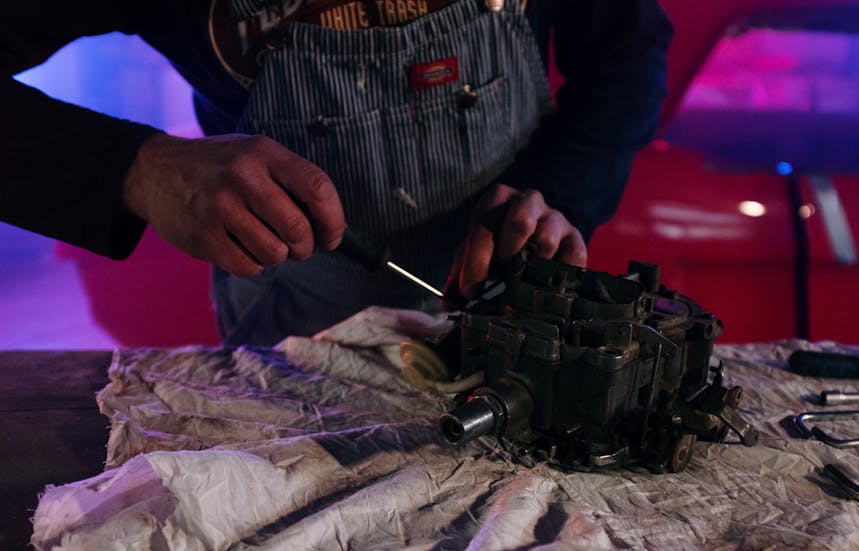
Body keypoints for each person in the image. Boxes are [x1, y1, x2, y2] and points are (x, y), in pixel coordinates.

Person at [1, 0, 672, 345]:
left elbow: (628, 48)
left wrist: (559, 195)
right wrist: (138, 167)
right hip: (296, 322)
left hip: (514, 303)